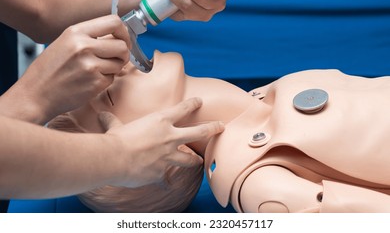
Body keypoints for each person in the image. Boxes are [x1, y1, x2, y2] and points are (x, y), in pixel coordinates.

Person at [0, 0, 252, 201]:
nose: (119, 65)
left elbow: (38, 7)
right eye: (110, 94)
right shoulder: (256, 171)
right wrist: (120, 155)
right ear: (170, 154)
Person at [47, 50, 390, 213]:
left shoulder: (260, 101)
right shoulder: (258, 185)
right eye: (109, 95)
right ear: (159, 153)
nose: (115, 70)